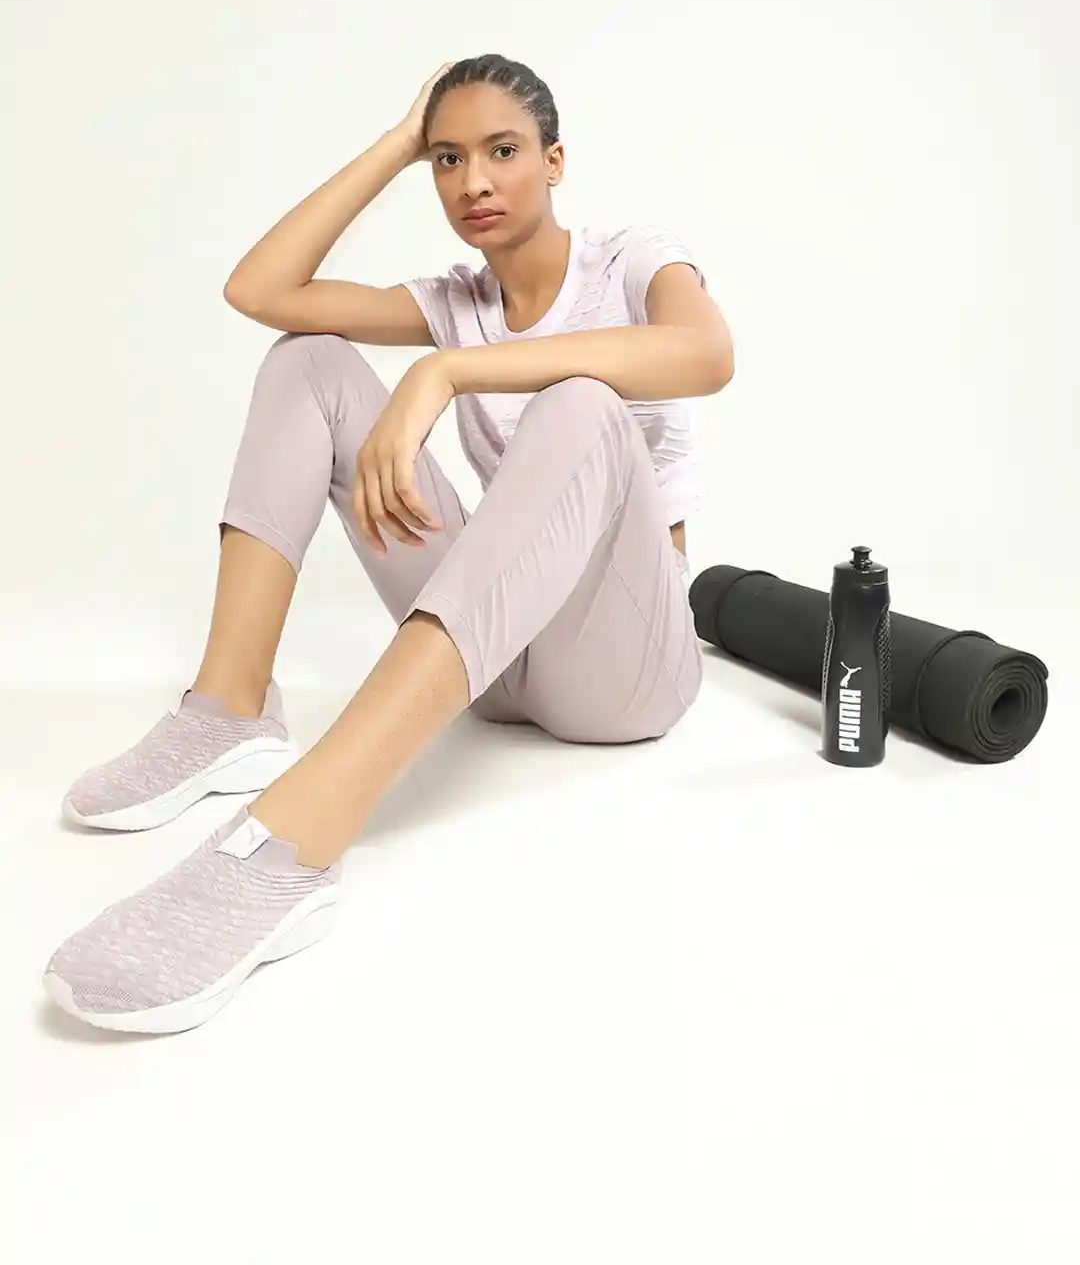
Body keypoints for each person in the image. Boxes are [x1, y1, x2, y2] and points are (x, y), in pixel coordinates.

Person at [42, 53, 735, 1033]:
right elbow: (260, 288)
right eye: (448, 160)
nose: (474, 181)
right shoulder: (456, 300)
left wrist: (445, 373)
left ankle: (298, 834)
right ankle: (228, 710)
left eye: (503, 151)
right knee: (310, 360)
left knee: (580, 403)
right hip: (499, 662)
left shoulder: (632, 261)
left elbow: (707, 353)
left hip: (628, 676)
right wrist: (396, 144)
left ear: (556, 161)